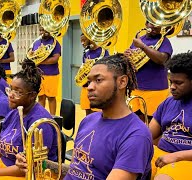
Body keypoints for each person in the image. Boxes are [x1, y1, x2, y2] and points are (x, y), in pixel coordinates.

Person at [17, 54, 153, 179]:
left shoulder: (136, 135)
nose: (89, 87)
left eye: (98, 80)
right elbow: (77, 171)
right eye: (89, 82)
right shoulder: (88, 120)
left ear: (122, 82)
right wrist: (36, 162)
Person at [0, 59, 58, 180]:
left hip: (27, 174)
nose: (11, 95)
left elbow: (31, 165)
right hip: (4, 168)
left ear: (32, 96)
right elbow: (7, 147)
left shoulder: (40, 123)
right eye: (10, 89)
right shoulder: (14, 113)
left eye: (18, 92)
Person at [149, 52, 192, 180]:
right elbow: (148, 134)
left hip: (185, 160)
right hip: (160, 154)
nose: (172, 87)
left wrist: (177, 156)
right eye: (171, 82)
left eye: (178, 83)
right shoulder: (168, 102)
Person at [124, 21, 173, 120]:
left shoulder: (164, 41)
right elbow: (131, 61)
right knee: (136, 119)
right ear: (146, 24)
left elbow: (161, 59)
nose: (155, 27)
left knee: (153, 122)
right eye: (152, 24)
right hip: (136, 87)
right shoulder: (139, 40)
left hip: (155, 89)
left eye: (158, 25)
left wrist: (143, 47)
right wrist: (128, 55)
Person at [33, 26, 61, 115]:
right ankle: (42, 117)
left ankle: (53, 118)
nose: (42, 32)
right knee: (40, 97)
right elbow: (32, 56)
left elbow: (55, 59)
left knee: (51, 98)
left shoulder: (55, 43)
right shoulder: (36, 43)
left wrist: (40, 61)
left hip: (51, 74)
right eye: (41, 30)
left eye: (45, 30)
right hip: (39, 74)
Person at [78, 33, 109, 115]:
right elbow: (83, 66)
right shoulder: (86, 52)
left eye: (84, 40)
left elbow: (107, 69)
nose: (82, 43)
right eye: (81, 41)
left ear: (90, 38)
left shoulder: (103, 51)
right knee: (87, 112)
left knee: (96, 112)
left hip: (97, 86)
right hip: (85, 86)